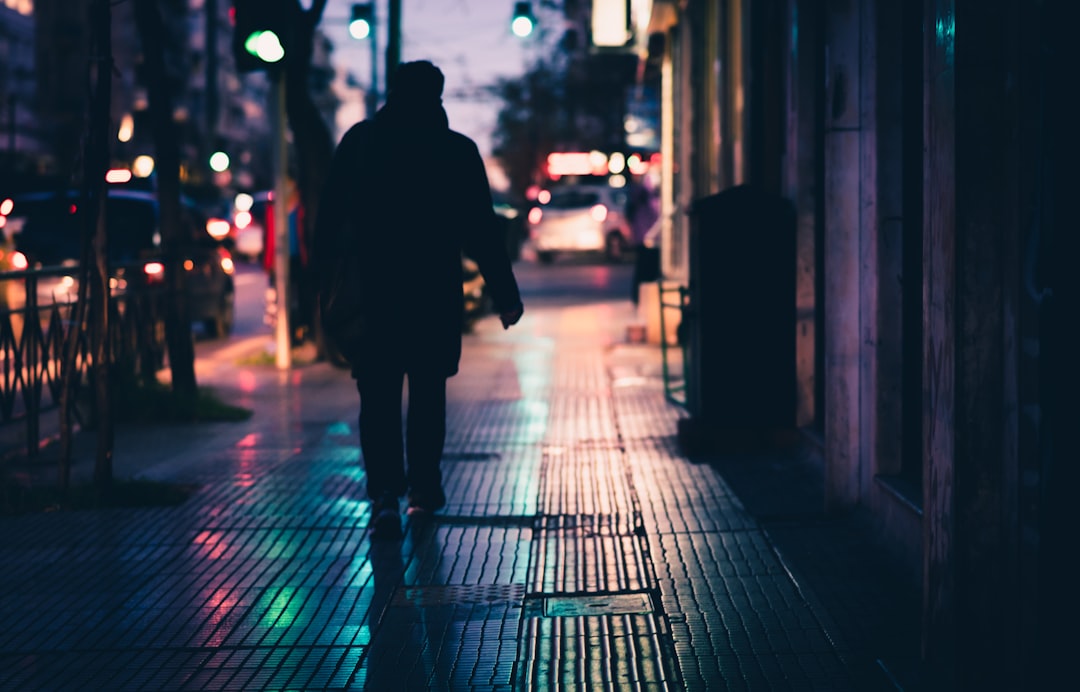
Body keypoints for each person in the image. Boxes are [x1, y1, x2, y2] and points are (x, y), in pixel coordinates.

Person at [313, 60, 524, 539]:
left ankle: (385, 494)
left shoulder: (361, 143)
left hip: (373, 292)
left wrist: (321, 285)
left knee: (379, 396)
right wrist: (505, 295)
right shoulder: (455, 151)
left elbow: (328, 222)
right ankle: (423, 496)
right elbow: (481, 230)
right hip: (432, 293)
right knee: (429, 395)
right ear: (439, 97)